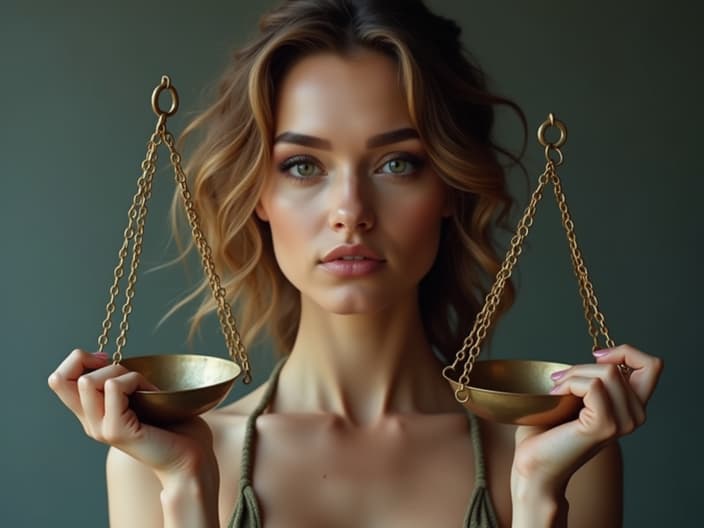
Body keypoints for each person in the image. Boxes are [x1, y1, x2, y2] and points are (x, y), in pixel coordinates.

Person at [48, 1, 663, 526]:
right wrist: (186, 488)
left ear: (448, 188)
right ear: (258, 194)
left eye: (397, 163)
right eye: (303, 165)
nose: (350, 211)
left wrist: (536, 494)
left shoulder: (565, 452)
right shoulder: (155, 457)